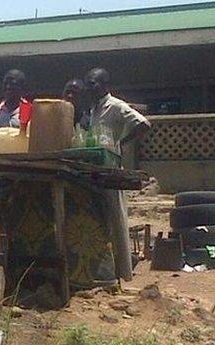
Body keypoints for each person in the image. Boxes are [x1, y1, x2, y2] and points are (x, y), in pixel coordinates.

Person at [84, 67, 151, 281]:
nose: (89, 87)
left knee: (116, 219)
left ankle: (123, 271)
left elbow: (143, 124)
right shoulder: (93, 109)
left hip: (111, 170)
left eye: (93, 83)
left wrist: (122, 142)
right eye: (88, 83)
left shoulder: (116, 106)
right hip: (95, 171)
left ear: (105, 85)